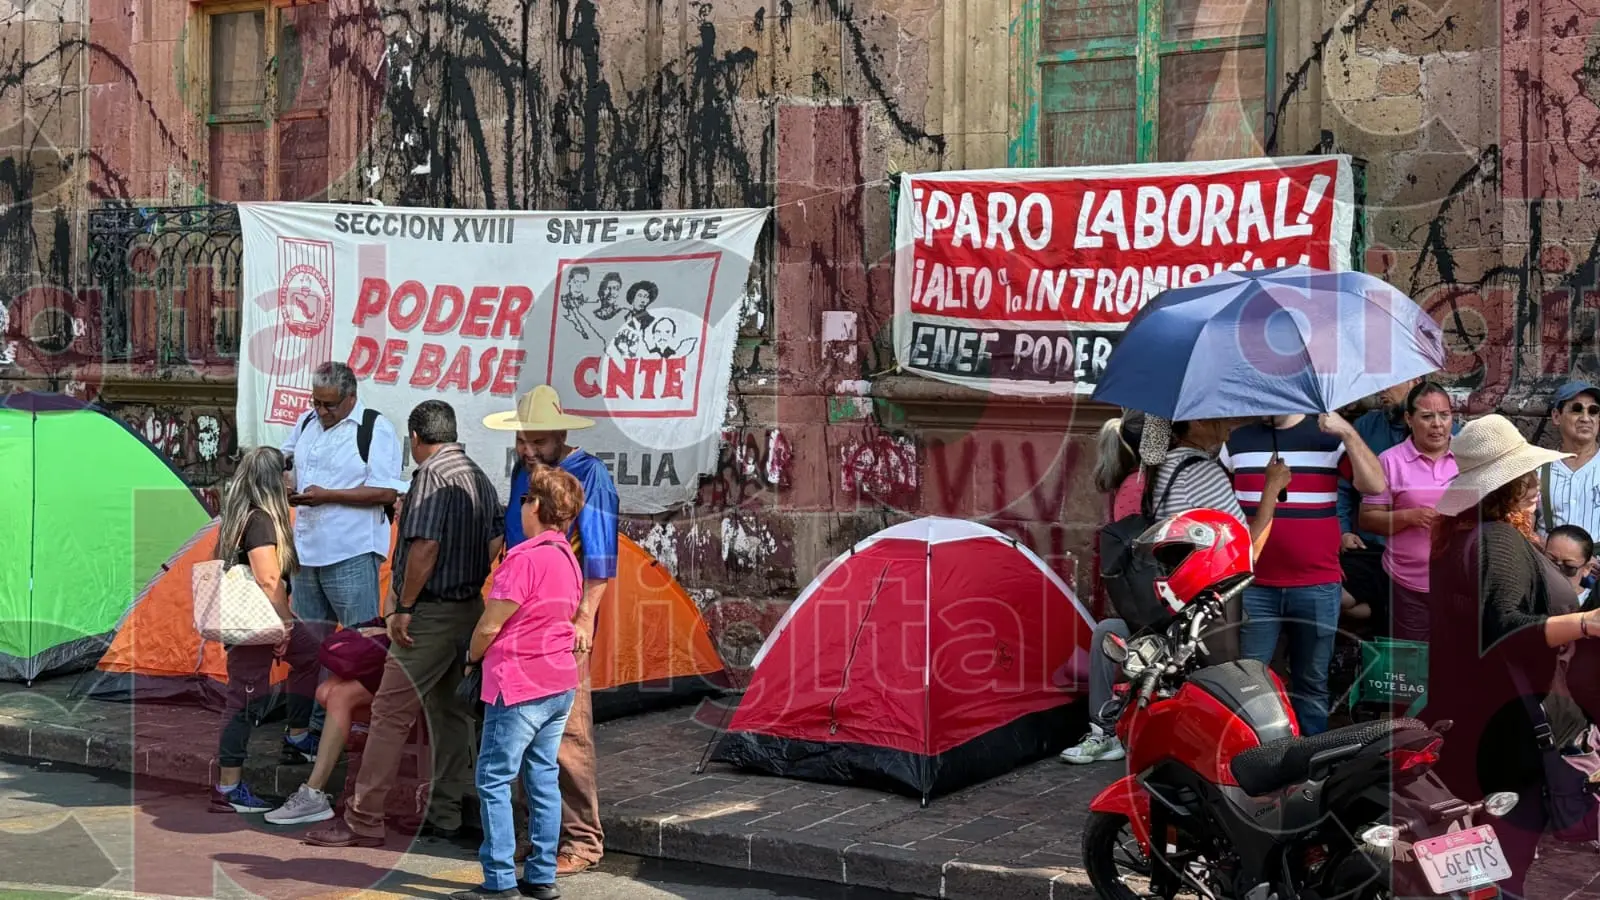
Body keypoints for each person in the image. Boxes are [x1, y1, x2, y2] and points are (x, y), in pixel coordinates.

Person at [304, 400, 504, 848]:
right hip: (468, 607)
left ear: (415, 437)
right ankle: (445, 812)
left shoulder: (431, 476)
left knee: (389, 712)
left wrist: (405, 605)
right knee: (450, 714)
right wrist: (468, 575)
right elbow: (495, 540)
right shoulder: (478, 476)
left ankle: (363, 818)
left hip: (429, 612)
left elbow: (424, 547)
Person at [1426, 414, 1600, 898]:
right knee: (1503, 860)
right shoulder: (1498, 539)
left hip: (1471, 717)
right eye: (1527, 476)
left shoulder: (1461, 535)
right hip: (1506, 726)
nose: (1535, 487)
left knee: (1470, 855)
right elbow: (1504, 629)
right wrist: (1585, 622)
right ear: (1511, 485)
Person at [483, 385, 619, 877]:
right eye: (521, 439)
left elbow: (601, 559)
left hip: (562, 623)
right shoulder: (524, 471)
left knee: (568, 734)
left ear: (560, 434)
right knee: (519, 732)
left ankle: (581, 839)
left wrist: (584, 619)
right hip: (520, 620)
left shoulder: (591, 474)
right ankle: (533, 837)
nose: (527, 448)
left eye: (537, 440)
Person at [453, 467, 587, 900]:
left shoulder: (523, 559)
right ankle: (541, 876)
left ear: (537, 507)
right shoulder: (567, 558)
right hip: (558, 681)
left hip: (518, 683)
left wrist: (471, 658)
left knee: (493, 779)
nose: (522, 506)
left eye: (526, 499)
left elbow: (490, 626)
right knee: (542, 776)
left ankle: (499, 880)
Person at [1220, 410, 1386, 735]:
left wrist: (1347, 433)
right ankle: (1257, 755)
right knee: (1251, 684)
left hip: (1317, 583)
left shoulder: (1329, 438)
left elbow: (1375, 485)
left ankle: (1311, 758)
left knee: (1312, 684)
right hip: (1254, 585)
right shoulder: (1235, 443)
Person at [280, 361, 406, 754]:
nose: (321, 411)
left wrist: (328, 495)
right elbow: (283, 458)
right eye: (316, 402)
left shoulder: (374, 428)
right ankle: (309, 729)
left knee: (358, 646)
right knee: (310, 646)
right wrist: (284, 479)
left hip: (351, 550)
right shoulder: (306, 422)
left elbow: (386, 492)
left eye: (330, 405)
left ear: (351, 398)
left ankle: (355, 727)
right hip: (307, 551)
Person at [208, 447, 322, 814]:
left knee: (311, 655)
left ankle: (298, 734)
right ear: (273, 479)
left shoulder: (240, 516)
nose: (291, 478)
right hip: (255, 622)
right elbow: (269, 578)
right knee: (243, 698)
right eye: (286, 471)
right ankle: (228, 787)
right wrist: (286, 623)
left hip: (255, 619)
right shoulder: (260, 520)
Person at [1335, 378, 1462, 630]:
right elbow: (1361, 508)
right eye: (1427, 417)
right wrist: (1410, 517)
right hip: (1402, 576)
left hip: (1459, 581)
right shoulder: (1386, 456)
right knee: (1411, 651)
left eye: (1444, 415)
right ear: (1409, 419)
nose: (1437, 424)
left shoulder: (1469, 456)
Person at [1062, 412, 1146, 765]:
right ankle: (1105, 731)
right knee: (1107, 634)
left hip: (1151, 601)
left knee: (1107, 634)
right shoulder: (1140, 484)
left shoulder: (1132, 484)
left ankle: (1105, 730)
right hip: (1152, 599)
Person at [264, 619, 391, 825]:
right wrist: (384, 625)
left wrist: (390, 629)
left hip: (415, 651)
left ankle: (313, 793)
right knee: (324, 692)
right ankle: (330, 754)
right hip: (394, 642)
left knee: (340, 696)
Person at [1536, 380, 1600, 539]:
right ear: (1556, 416)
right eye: (1577, 410)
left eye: (1593, 411)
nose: (1586, 418)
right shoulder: (1537, 470)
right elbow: (1523, 527)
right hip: (1545, 554)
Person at [1545, 524, 1596, 608]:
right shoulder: (1527, 595)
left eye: (1568, 567)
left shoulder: (1593, 604)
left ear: (1586, 568)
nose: (1556, 573)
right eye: (1549, 562)